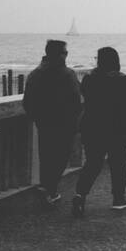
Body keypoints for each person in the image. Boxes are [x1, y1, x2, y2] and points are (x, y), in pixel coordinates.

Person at [72, 46, 126, 216]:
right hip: (117, 129)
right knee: (118, 163)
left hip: (93, 127)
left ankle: (80, 195)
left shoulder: (89, 79)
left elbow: (86, 97)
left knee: (92, 164)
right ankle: (118, 199)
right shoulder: (123, 80)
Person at [23, 39, 82, 207]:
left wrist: (37, 117)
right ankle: (50, 189)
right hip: (64, 123)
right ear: (59, 55)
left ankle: (47, 188)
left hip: (44, 123)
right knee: (61, 157)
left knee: (47, 156)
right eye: (65, 52)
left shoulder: (35, 74)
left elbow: (27, 102)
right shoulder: (67, 74)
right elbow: (76, 100)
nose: (66, 55)